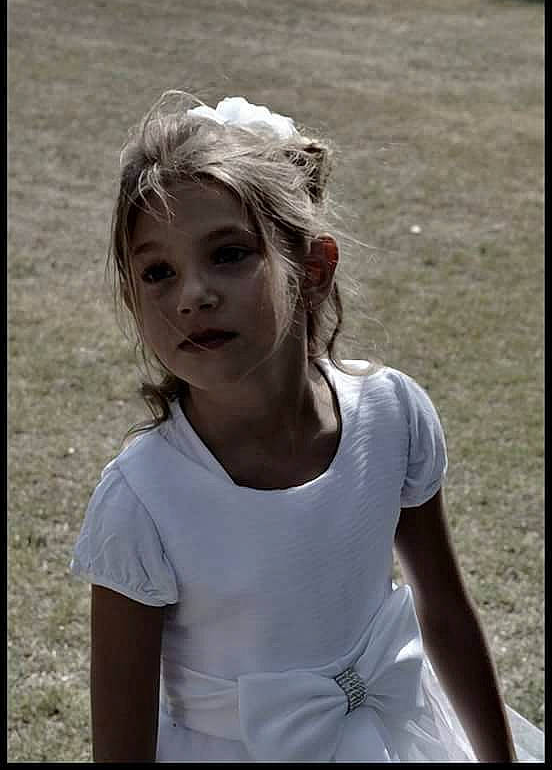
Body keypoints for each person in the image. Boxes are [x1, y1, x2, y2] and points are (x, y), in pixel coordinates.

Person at [70, 90, 521, 762]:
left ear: (311, 269)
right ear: (135, 303)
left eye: (227, 253)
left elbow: (446, 611)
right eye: (158, 271)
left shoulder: (390, 414)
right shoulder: (144, 499)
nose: (193, 293)